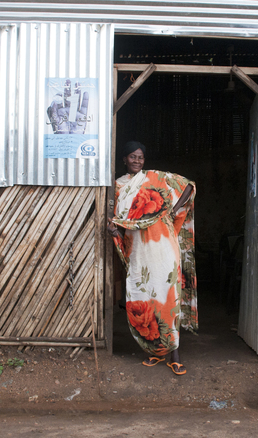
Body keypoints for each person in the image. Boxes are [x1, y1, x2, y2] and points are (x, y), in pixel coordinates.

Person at [107, 141, 197, 376]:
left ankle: (175, 355)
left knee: (169, 299)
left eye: (140, 157)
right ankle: (156, 351)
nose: (137, 161)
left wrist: (172, 210)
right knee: (145, 298)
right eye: (132, 157)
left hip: (164, 247)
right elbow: (118, 217)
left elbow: (188, 185)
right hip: (138, 250)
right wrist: (116, 232)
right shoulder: (117, 186)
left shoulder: (156, 178)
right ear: (124, 159)